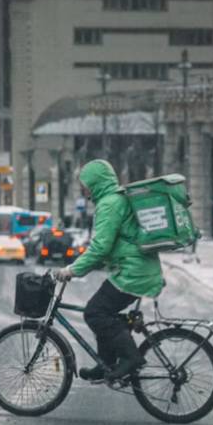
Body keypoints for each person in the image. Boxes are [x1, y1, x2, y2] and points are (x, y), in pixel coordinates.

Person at [53, 159, 164, 382]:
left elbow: (100, 247)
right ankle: (106, 365)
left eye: (85, 183)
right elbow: (113, 246)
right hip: (134, 269)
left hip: (133, 273)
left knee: (94, 312)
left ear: (95, 182)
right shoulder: (114, 199)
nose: (83, 189)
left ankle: (131, 358)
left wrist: (72, 270)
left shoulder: (109, 204)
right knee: (103, 313)